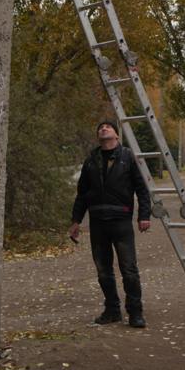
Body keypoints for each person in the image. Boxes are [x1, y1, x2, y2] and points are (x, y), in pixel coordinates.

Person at [69, 120, 152, 328]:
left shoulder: (128, 157)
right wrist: (76, 221)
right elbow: (82, 195)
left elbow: (142, 189)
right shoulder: (91, 160)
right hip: (98, 224)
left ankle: (135, 313)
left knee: (129, 270)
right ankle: (112, 310)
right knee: (103, 271)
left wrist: (144, 215)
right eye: (100, 128)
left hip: (121, 222)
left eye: (108, 127)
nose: (103, 129)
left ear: (116, 134)